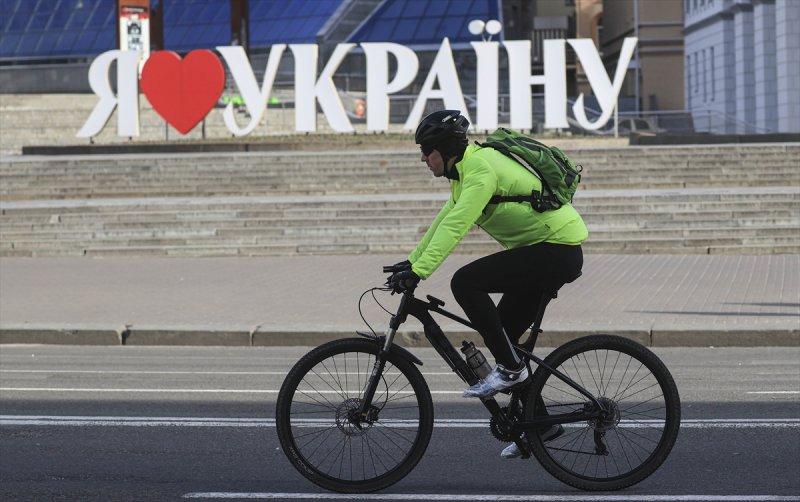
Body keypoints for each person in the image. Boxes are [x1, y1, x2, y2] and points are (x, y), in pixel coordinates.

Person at [388, 110, 588, 458]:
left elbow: (457, 227)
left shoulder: (480, 170)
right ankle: (540, 424)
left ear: (445, 149)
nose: (422, 158)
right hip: (543, 251)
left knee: (465, 282)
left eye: (425, 150)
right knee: (504, 339)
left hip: (556, 249)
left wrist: (420, 272)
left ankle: (511, 370)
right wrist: (412, 261)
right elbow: (444, 220)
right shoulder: (464, 172)